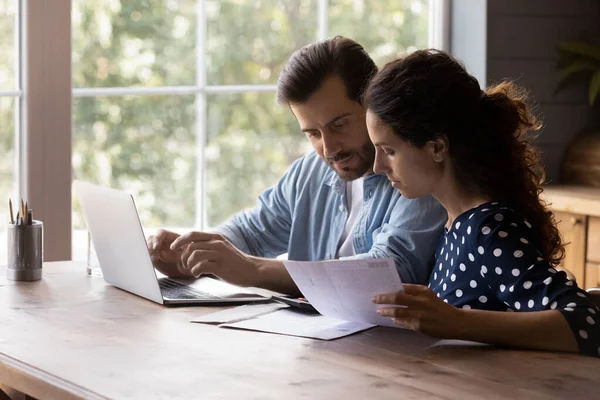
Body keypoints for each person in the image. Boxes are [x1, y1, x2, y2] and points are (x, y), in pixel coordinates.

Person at [146, 36, 447, 296]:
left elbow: (391, 271)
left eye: (339, 125)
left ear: (373, 105)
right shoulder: (311, 171)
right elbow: (251, 233)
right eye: (313, 134)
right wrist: (192, 251)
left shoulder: (417, 172)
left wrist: (254, 270)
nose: (329, 148)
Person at [367, 49, 600, 357]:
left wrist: (456, 321)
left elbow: (586, 323)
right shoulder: (454, 224)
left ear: (437, 147)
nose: (377, 166)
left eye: (389, 150)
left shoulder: (487, 230)